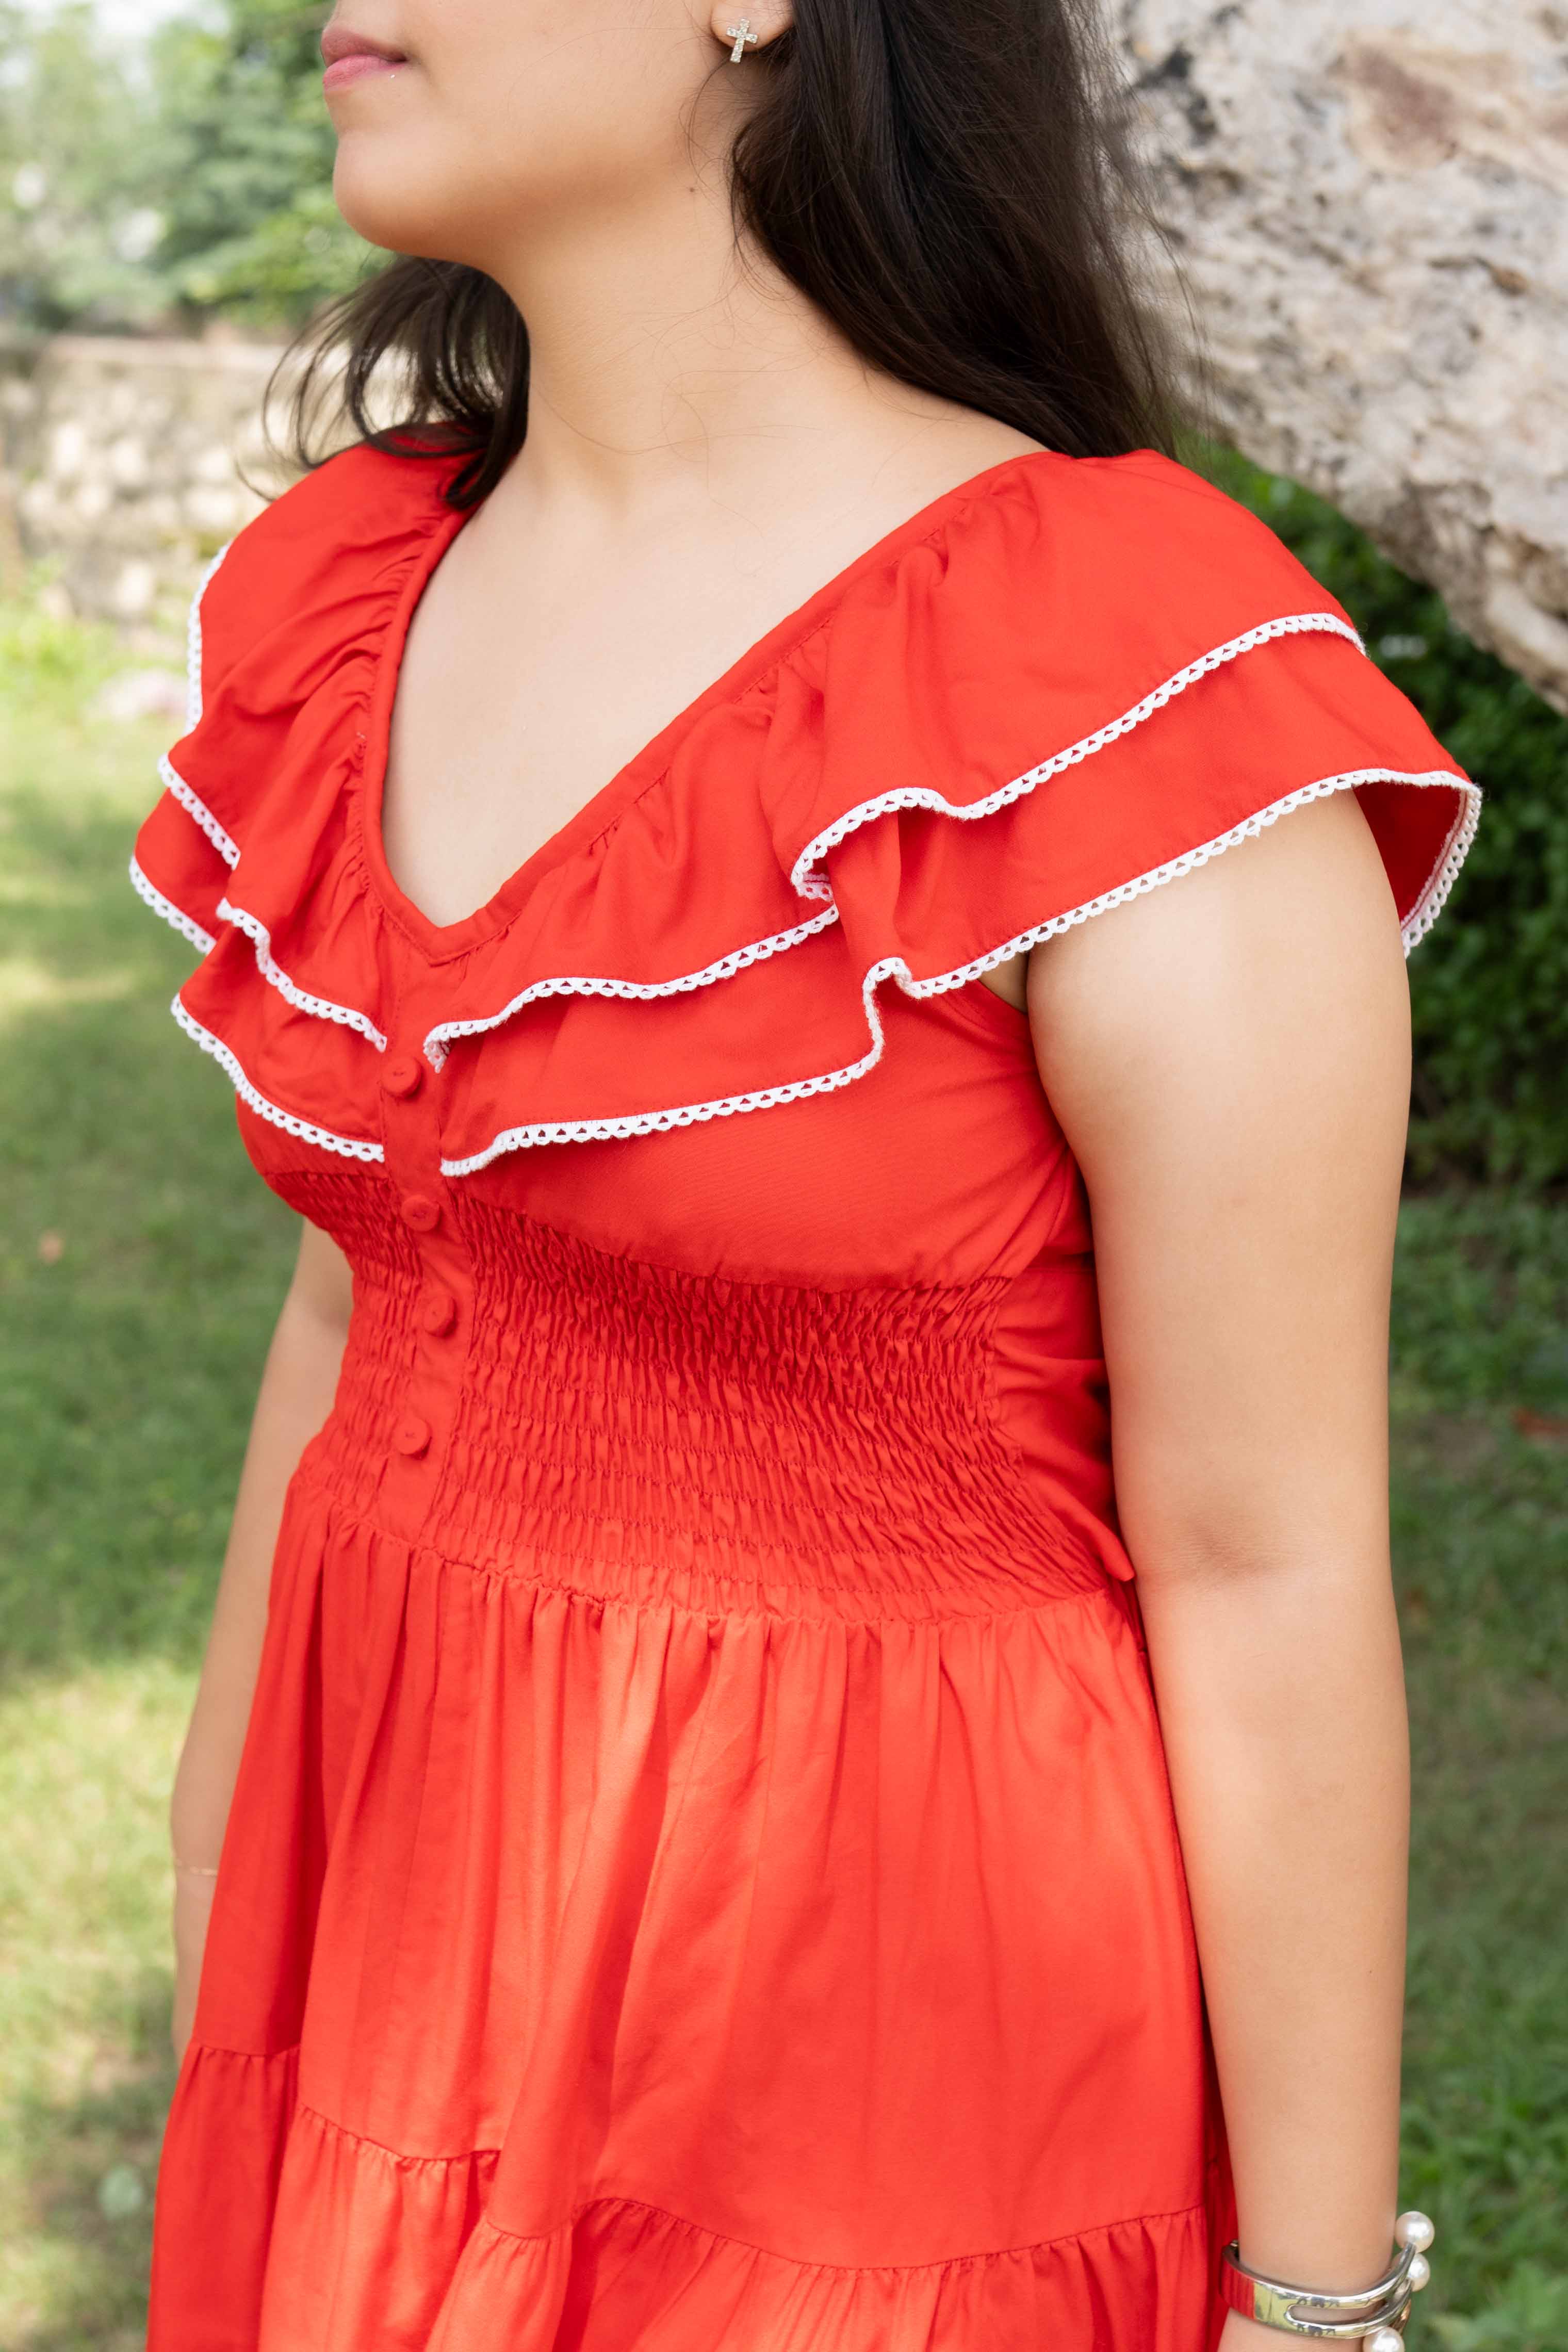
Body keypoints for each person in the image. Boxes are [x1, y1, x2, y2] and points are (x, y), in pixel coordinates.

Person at [130, 0, 1476, 2344]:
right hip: (389, 2001)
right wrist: (224, 1882)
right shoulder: (352, 593)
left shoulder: (1115, 662)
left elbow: (1261, 1561)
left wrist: (1314, 2299)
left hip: (879, 2095)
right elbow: (364, 1295)